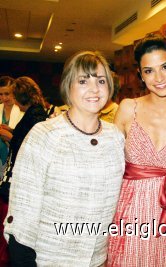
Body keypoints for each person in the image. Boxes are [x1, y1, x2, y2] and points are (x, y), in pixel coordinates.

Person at [4, 51, 125, 266]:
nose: (94, 89)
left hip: (97, 259)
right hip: (48, 258)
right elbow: (23, 209)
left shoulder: (115, 137)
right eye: (83, 80)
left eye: (101, 80)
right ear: (68, 86)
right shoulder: (45, 134)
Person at [107, 33, 166, 266]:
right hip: (129, 213)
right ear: (141, 75)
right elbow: (107, 166)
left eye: (165, 67)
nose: (159, 77)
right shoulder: (129, 109)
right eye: (149, 71)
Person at [0, 76, 48, 266]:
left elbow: (26, 146)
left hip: (25, 181)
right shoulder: (35, 114)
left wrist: (8, 136)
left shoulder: (36, 116)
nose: (7, 98)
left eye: (10, 95)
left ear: (20, 97)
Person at [0, 76, 24, 168]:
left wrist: (10, 133)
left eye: (7, 94)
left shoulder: (23, 111)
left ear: (15, 93)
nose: (4, 97)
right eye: (0, 94)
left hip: (15, 160)